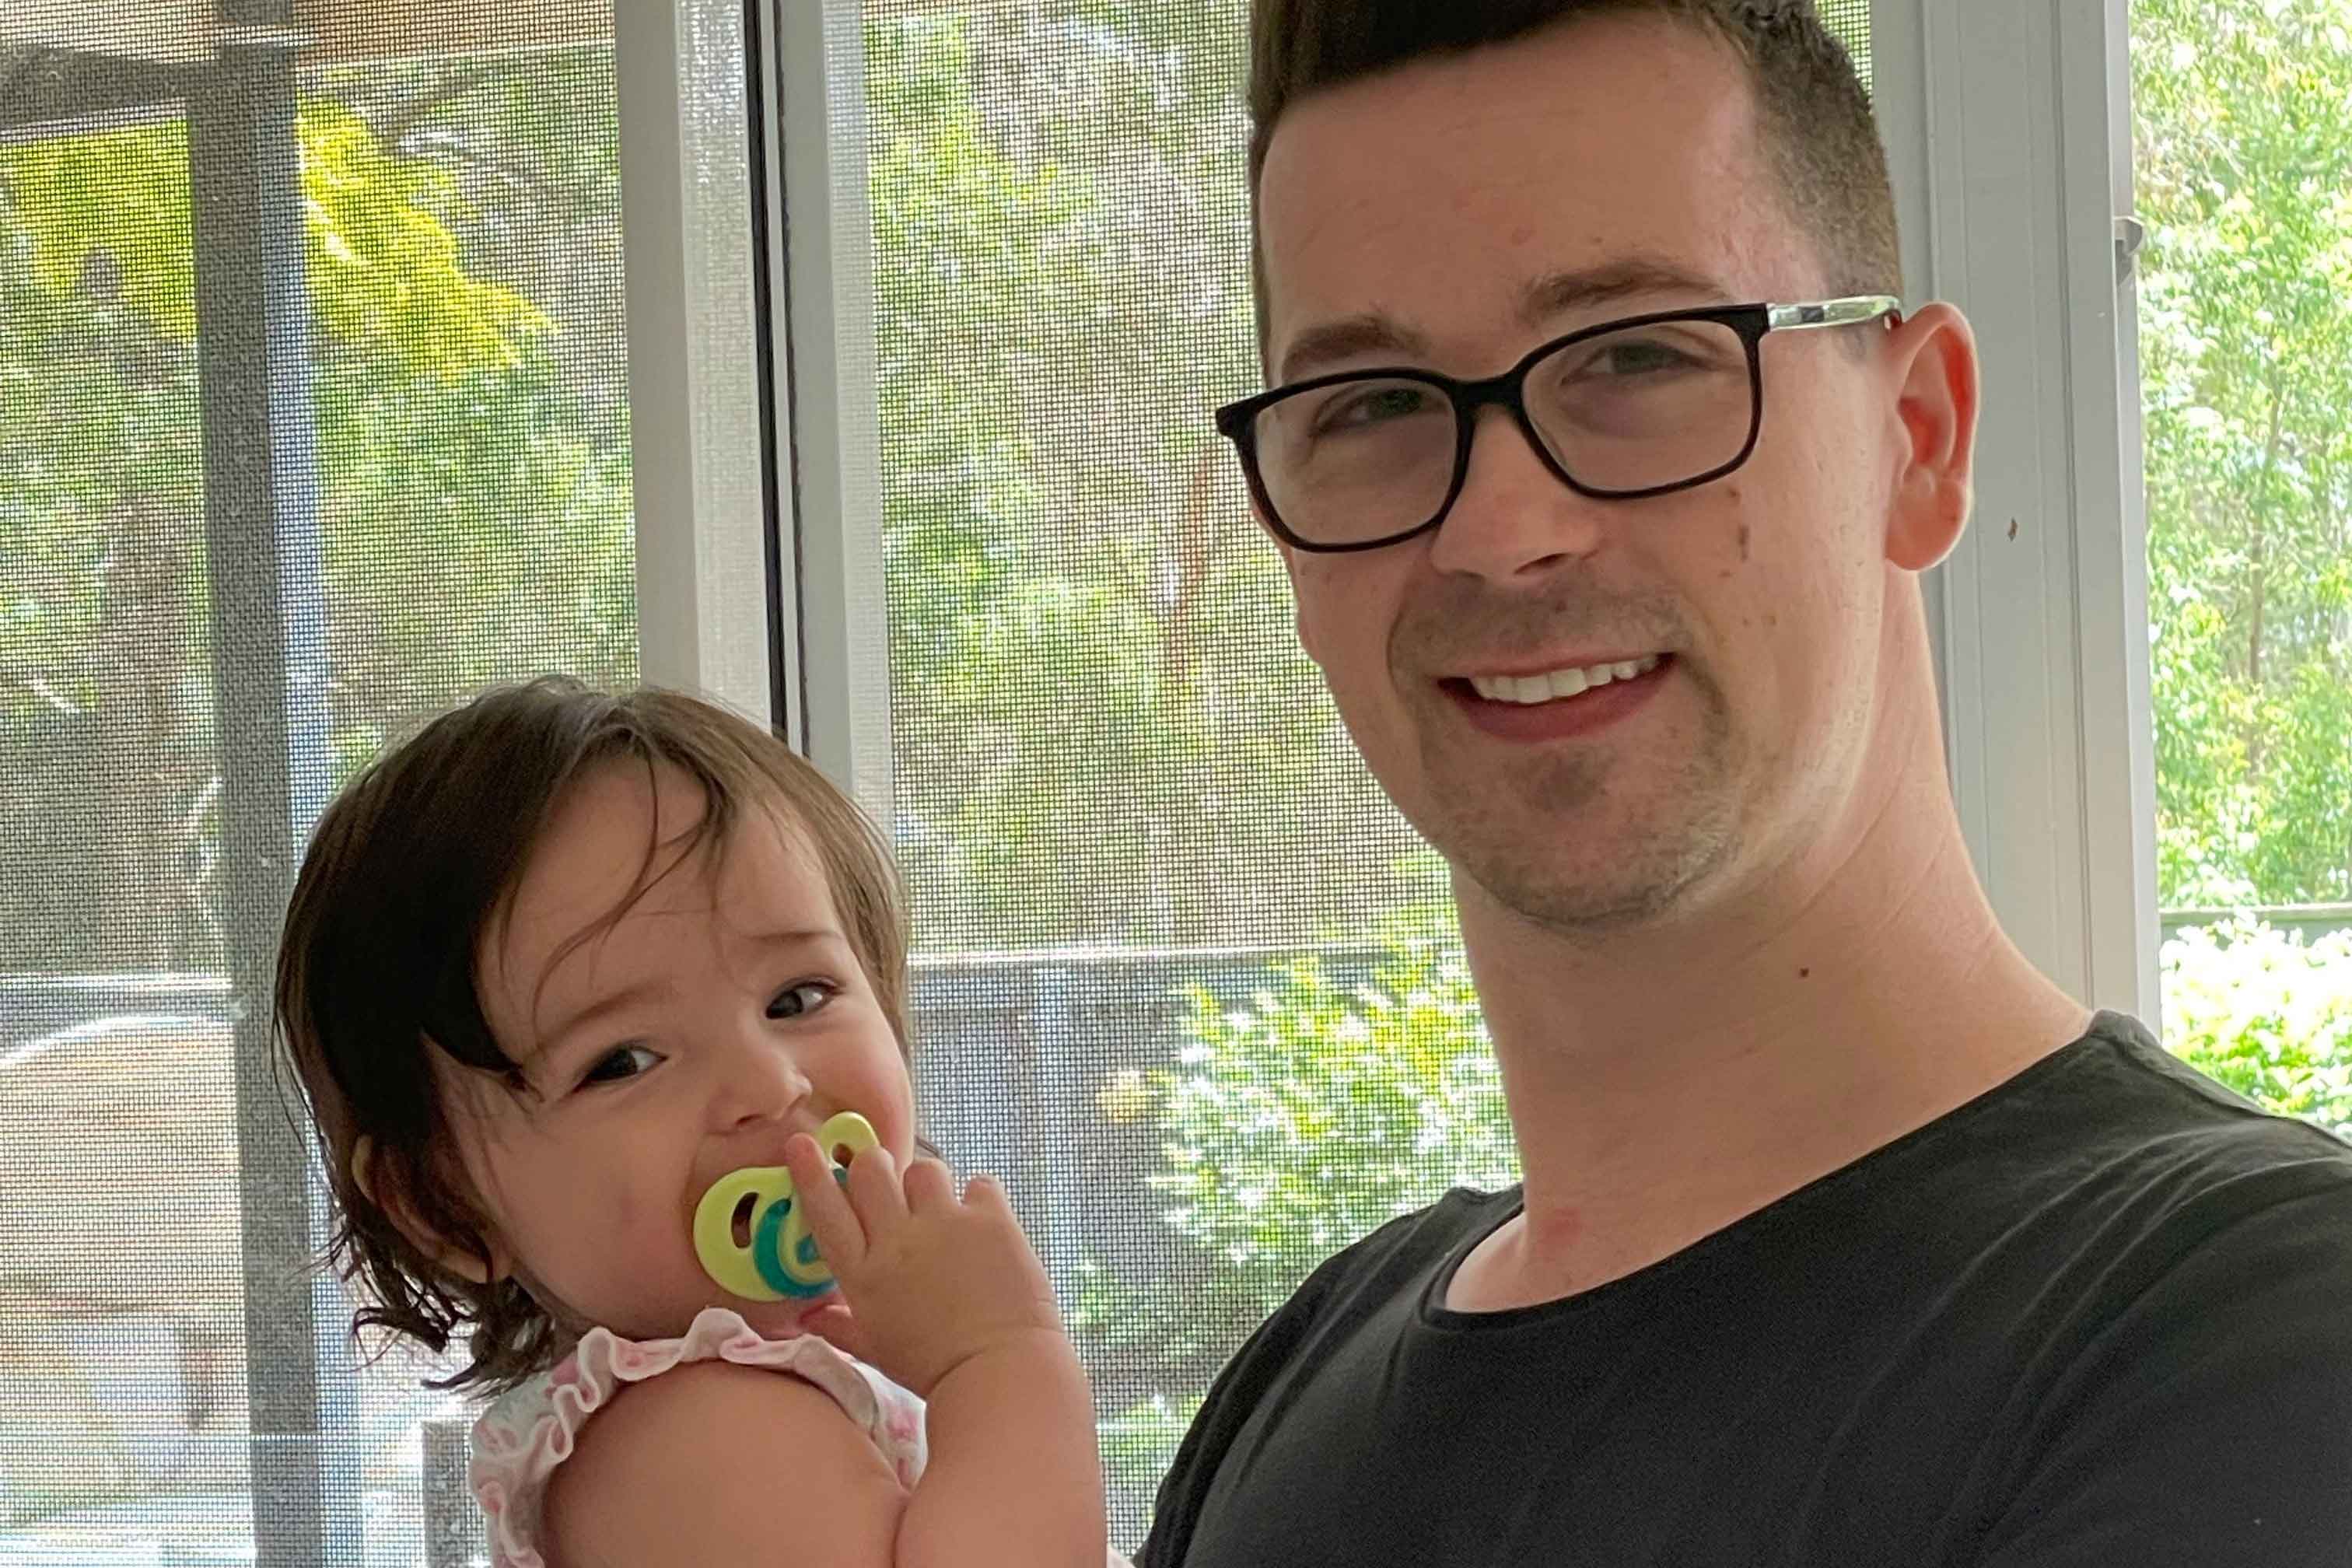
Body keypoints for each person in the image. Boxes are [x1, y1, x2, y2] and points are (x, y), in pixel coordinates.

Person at [1143, 3, 2352, 1563]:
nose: (1502, 531)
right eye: (1370, 408)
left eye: (1638, 358)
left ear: (1918, 437)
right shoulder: (1293, 1385)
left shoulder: (2253, 1334)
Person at [275, 678, 1115, 1568]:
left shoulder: (761, 1395)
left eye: (799, 996)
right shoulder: (696, 1436)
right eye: (623, 1061)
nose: (769, 1082)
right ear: (446, 1204)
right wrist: (1003, 1366)